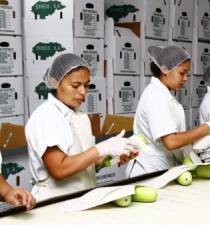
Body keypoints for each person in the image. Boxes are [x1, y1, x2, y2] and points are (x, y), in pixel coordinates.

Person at [25, 53, 139, 201]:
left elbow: (85, 162)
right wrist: (101, 148)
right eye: (75, 85)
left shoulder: (81, 116)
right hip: (55, 203)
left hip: (83, 198)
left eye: (86, 85)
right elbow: (59, 169)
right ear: (55, 83)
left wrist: (112, 157)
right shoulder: (46, 116)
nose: (83, 92)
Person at [126, 45, 210, 177]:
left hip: (162, 168)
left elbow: (175, 136)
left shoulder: (164, 95)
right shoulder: (156, 96)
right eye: (182, 73)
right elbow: (171, 141)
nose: (185, 78)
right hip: (148, 170)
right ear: (164, 69)